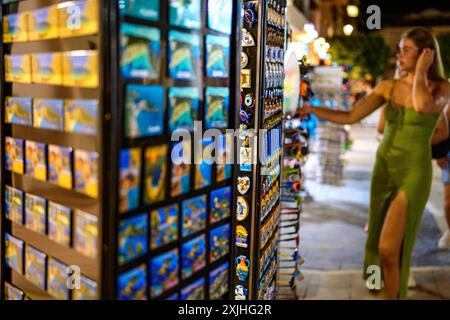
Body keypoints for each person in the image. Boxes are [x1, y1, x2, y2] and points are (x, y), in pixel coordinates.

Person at [302, 27, 450, 299]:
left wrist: (419, 73)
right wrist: (312, 110)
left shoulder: (441, 88)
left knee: (389, 248)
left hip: (415, 172)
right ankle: (384, 291)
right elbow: (350, 116)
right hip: (384, 168)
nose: (399, 54)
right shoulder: (388, 87)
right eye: (399, 49)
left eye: (406, 50)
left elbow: (421, 106)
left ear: (426, 53)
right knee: (378, 245)